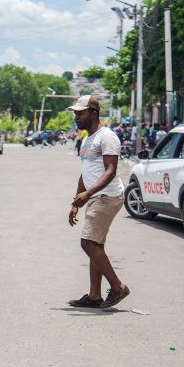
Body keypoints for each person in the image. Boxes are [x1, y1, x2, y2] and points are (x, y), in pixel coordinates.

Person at [67, 95, 130, 309]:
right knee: (96, 245)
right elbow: (86, 173)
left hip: (107, 196)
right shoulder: (86, 140)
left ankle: (118, 287)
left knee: (89, 243)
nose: (76, 117)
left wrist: (90, 193)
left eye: (80, 113)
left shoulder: (107, 137)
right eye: (75, 113)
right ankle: (94, 296)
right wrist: (77, 201)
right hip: (95, 197)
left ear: (93, 113)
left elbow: (111, 171)